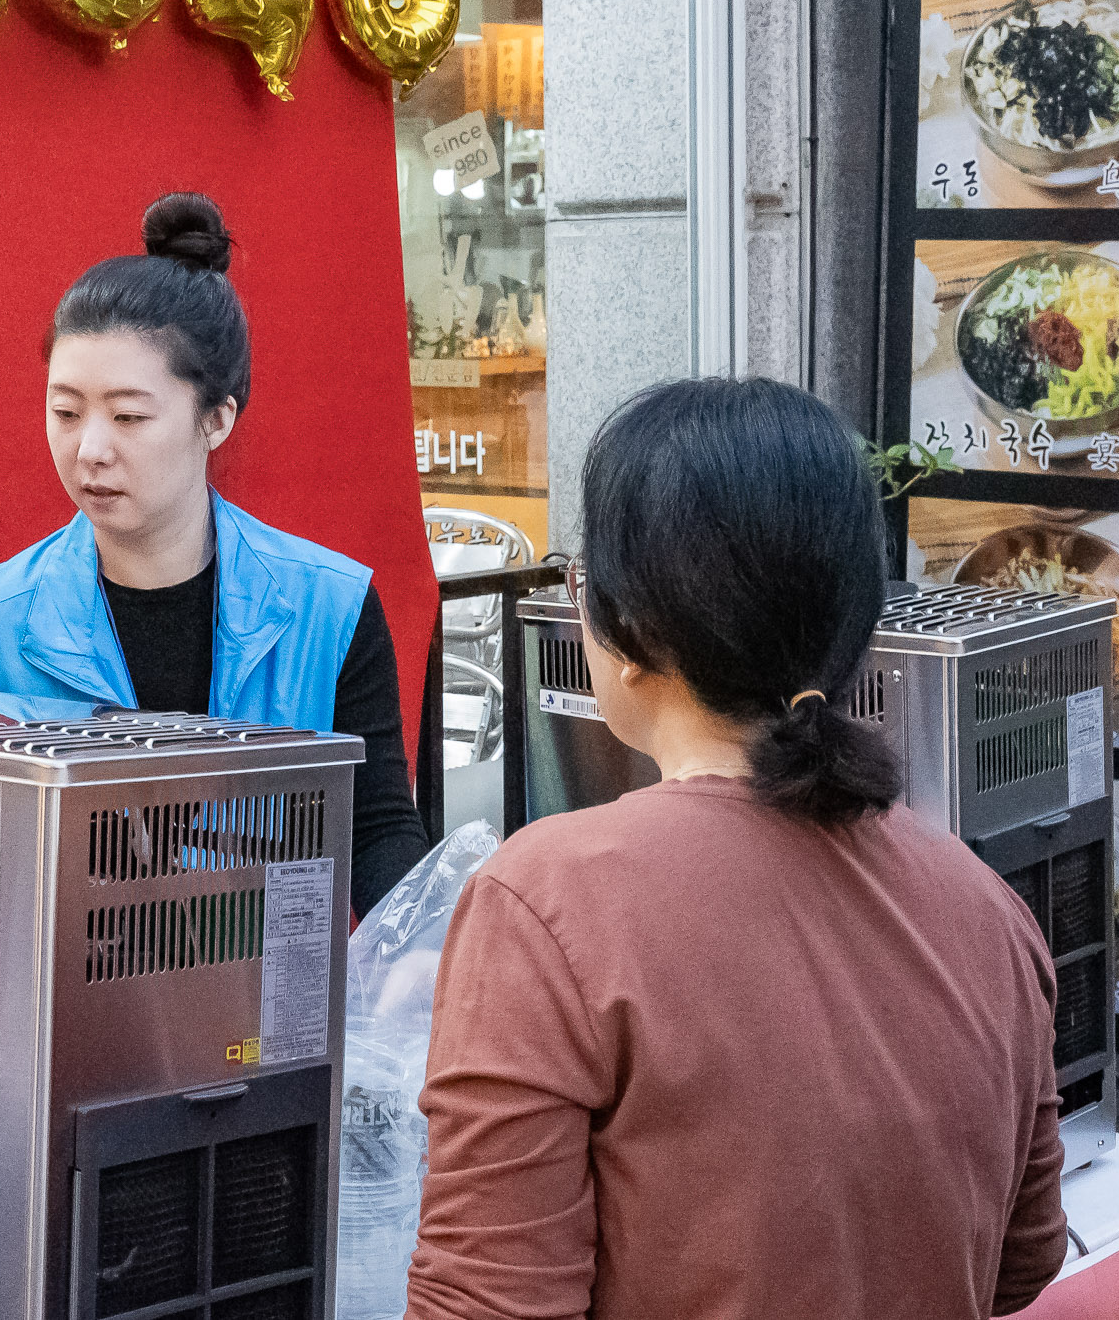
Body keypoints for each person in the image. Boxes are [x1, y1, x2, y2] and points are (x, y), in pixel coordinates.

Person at [404, 377, 1066, 1320]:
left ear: (626, 629)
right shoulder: (985, 906)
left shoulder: (544, 901)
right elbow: (1024, 1261)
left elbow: (484, 1306)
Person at [0, 193, 428, 916]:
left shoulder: (331, 605)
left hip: (273, 1001)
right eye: (64, 411)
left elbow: (379, 826)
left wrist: (417, 956)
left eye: (129, 416)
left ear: (216, 417)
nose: (89, 449)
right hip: (73, 1007)